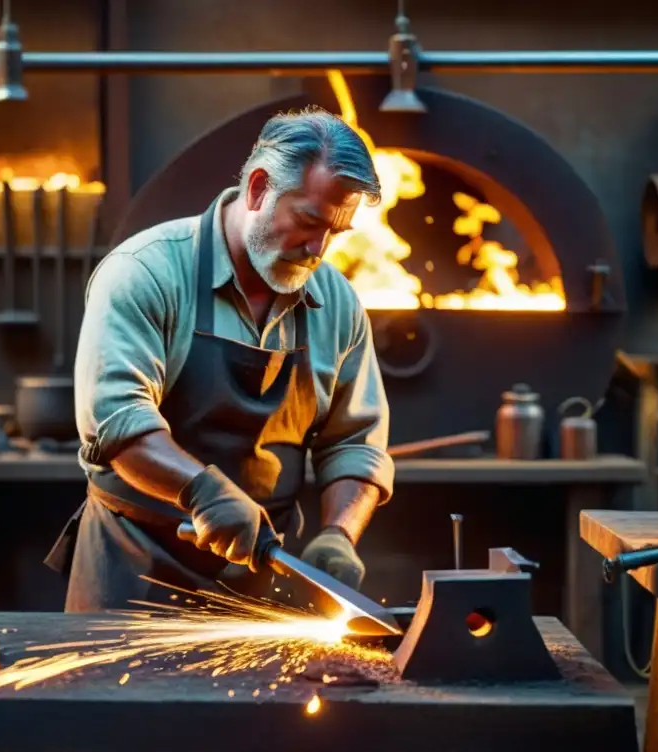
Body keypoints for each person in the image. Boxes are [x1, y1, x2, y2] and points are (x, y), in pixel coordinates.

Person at [45, 107, 395, 613]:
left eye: (335, 234)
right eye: (308, 221)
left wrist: (340, 533)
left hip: (261, 577)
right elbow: (117, 422)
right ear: (257, 188)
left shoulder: (336, 303)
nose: (317, 249)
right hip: (133, 569)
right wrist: (202, 492)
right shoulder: (145, 272)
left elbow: (355, 443)